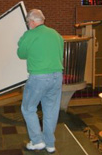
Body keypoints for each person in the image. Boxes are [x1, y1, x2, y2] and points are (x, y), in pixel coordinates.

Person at [17, 9, 64, 154]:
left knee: (28, 108)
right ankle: (50, 144)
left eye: (27, 22)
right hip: (57, 76)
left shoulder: (30, 34)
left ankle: (37, 141)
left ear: (31, 22)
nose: (28, 25)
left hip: (39, 77)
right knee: (51, 110)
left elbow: (21, 54)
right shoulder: (56, 34)